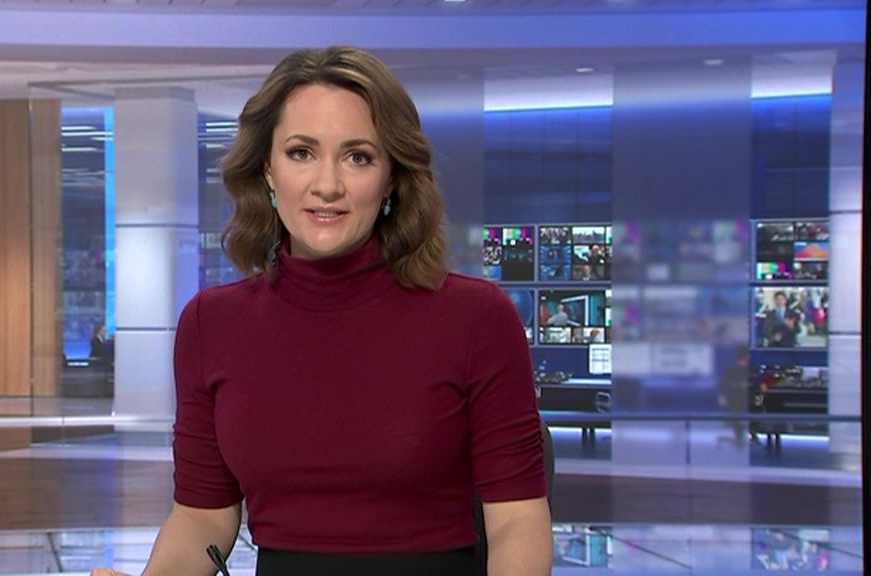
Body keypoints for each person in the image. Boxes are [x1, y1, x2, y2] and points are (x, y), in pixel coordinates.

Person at [94, 46, 551, 576]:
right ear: (267, 170)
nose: (327, 185)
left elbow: (517, 519)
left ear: (392, 178)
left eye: (358, 157)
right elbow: (201, 518)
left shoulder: (476, 317)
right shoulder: (210, 324)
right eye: (301, 153)